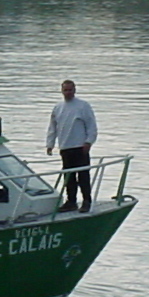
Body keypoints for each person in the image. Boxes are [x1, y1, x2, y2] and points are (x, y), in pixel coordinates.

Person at [46, 79, 97, 212]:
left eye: (70, 90)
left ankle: (86, 201)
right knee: (69, 177)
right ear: (61, 91)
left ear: (74, 90)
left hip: (80, 146)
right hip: (65, 147)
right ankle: (71, 201)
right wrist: (50, 144)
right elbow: (53, 127)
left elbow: (91, 125)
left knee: (83, 176)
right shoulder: (58, 108)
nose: (68, 92)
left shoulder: (83, 106)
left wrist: (89, 142)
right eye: (65, 90)